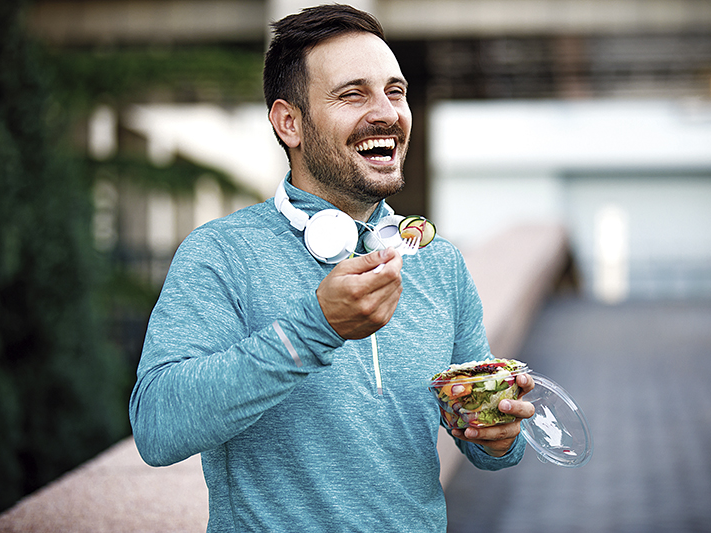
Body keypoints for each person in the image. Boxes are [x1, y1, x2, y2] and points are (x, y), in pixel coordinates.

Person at [129, 4, 535, 532]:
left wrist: (498, 435)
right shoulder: (221, 253)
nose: (387, 112)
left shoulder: (439, 262)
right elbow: (158, 427)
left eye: (396, 91)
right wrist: (316, 328)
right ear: (289, 123)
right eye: (353, 94)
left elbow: (484, 439)